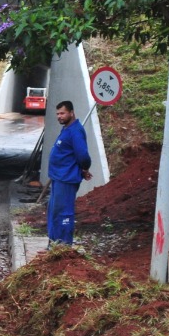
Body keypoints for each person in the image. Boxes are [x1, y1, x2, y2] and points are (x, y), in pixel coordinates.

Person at [47, 100, 93, 245]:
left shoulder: (75, 131)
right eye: (57, 114)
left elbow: (83, 155)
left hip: (66, 179)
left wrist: (84, 168)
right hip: (58, 178)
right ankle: (53, 244)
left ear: (71, 113)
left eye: (62, 113)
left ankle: (64, 245)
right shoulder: (67, 128)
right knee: (54, 212)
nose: (59, 116)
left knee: (64, 213)